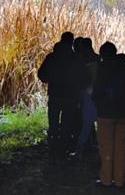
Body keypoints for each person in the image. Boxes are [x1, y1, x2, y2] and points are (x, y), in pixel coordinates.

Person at [92, 42, 125, 187]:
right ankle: (120, 179)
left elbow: (96, 91)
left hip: (105, 113)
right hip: (123, 114)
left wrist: (98, 104)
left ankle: (106, 179)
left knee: (106, 147)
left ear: (102, 55)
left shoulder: (102, 69)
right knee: (120, 147)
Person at [38, 32, 81, 163]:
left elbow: (42, 75)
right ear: (71, 42)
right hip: (70, 97)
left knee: (53, 125)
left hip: (55, 95)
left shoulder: (52, 57)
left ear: (61, 40)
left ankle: (52, 152)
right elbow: (82, 78)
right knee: (66, 125)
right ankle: (63, 152)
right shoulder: (75, 58)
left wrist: (52, 79)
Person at [73, 37, 98, 155]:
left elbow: (82, 79)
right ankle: (95, 144)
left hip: (87, 93)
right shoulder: (98, 59)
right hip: (98, 93)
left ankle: (80, 148)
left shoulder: (82, 60)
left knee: (86, 122)